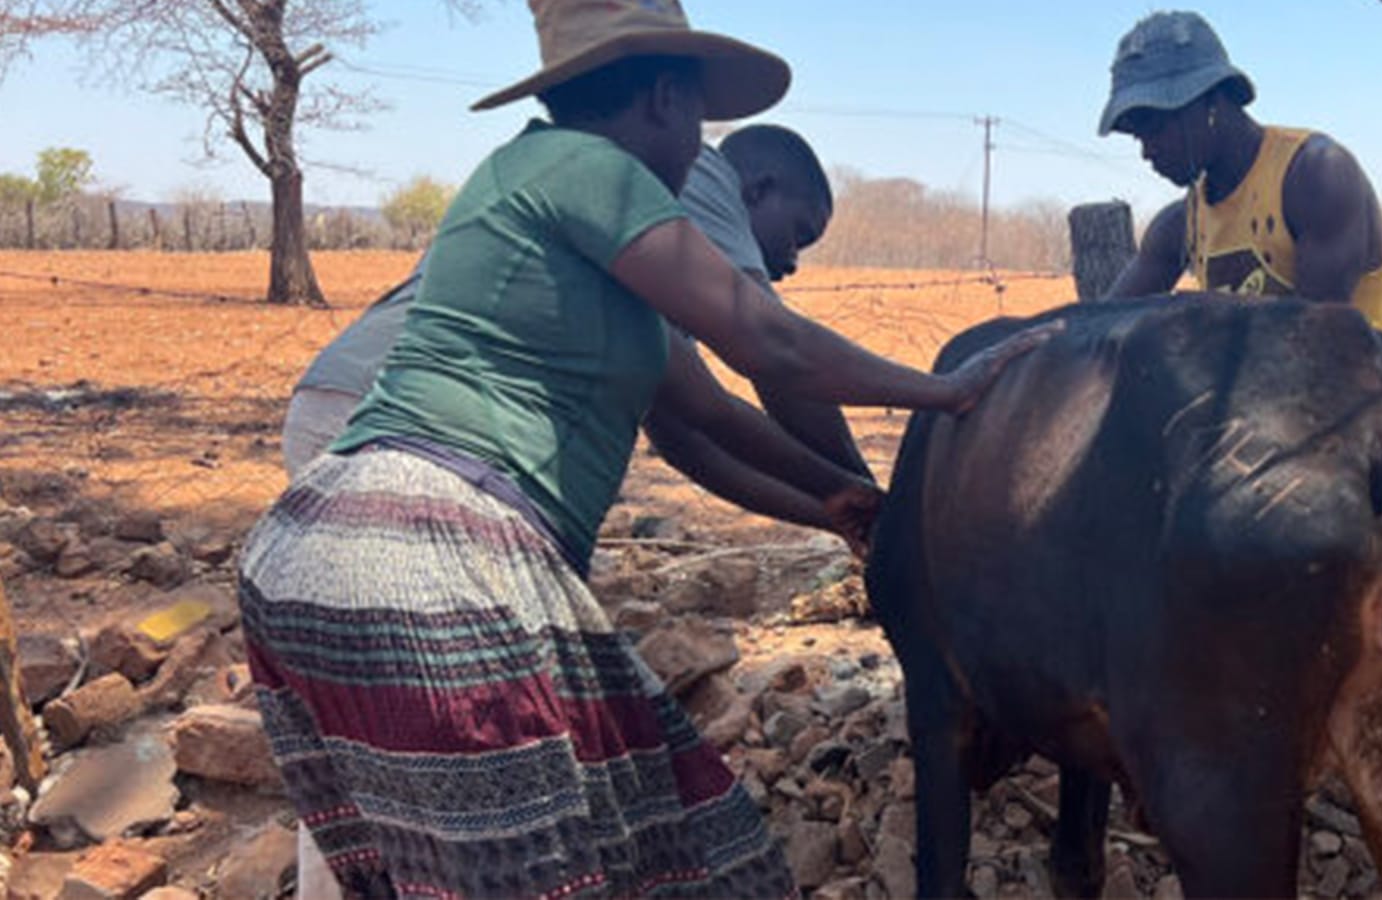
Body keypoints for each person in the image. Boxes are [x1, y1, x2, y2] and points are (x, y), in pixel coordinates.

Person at [240, 3, 1053, 897]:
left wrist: (840, 499)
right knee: (566, 867)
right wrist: (948, 389)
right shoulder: (591, 166)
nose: (703, 145)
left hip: (320, 551)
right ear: (667, 98)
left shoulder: (580, 237)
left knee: (508, 857)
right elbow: (769, 345)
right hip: (431, 555)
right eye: (702, 118)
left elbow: (700, 417)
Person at [1097, 10, 1382, 889]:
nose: (1143, 145)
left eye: (1152, 123)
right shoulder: (1182, 221)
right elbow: (1109, 322)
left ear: (1211, 104)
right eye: (1134, 128)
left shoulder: (1314, 174)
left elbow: (1309, 344)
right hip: (1288, 443)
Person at [281, 124, 871, 544]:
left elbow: (693, 438)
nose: (792, 262)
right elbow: (773, 349)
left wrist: (841, 511)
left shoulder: (641, 262)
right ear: (757, 190)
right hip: (413, 433)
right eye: (799, 233)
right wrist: (873, 492)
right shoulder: (695, 177)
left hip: (344, 403)